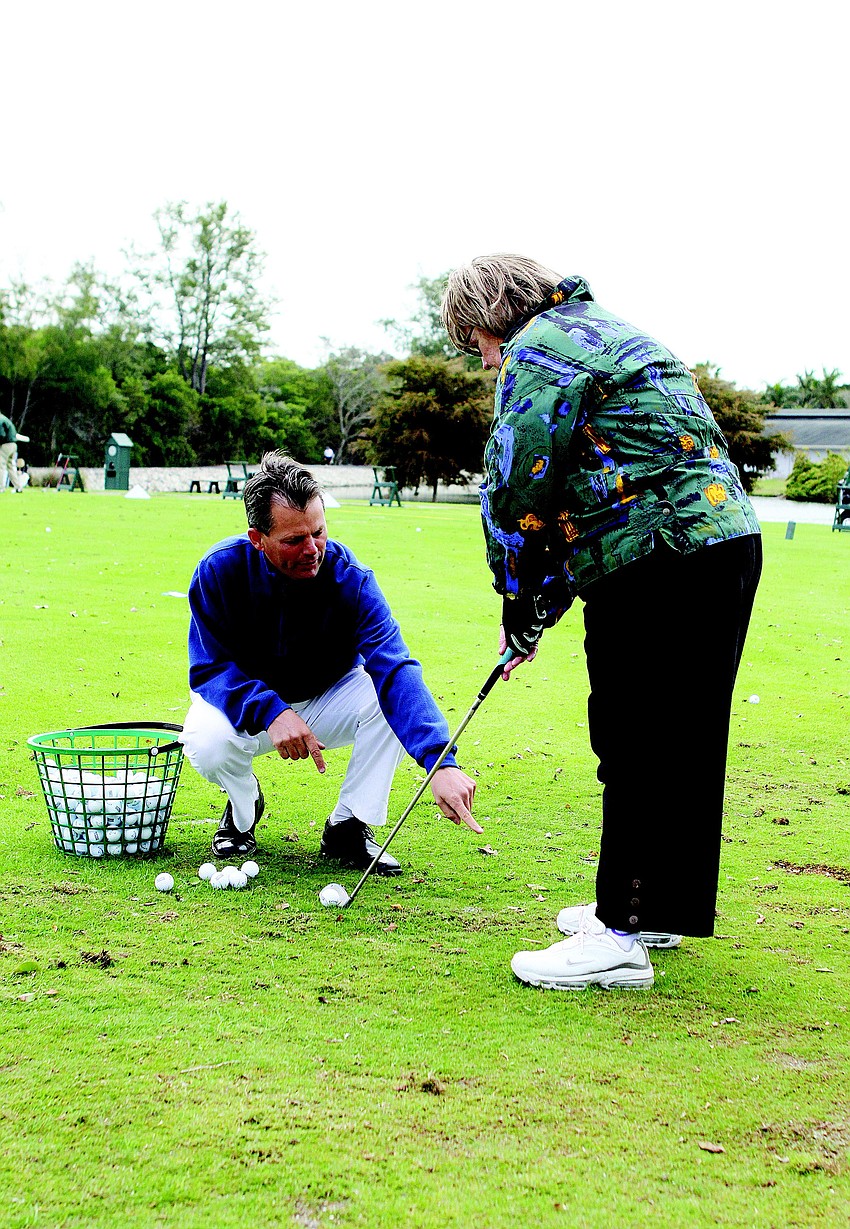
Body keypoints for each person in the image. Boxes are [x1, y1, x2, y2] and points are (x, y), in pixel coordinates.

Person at [442, 254, 762, 990]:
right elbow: (584, 486)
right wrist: (537, 614)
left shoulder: (537, 349)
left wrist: (518, 607)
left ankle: (618, 935)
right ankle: (650, 909)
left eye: (478, 345)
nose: (487, 362)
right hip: (722, 544)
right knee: (680, 738)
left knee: (634, 737)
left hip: (660, 555)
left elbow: (520, 489)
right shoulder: (604, 330)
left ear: (491, 315)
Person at [180, 451, 479, 872]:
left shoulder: (350, 578)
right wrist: (271, 710)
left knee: (385, 698)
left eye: (318, 532)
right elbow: (209, 668)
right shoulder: (219, 571)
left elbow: (395, 668)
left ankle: (348, 827)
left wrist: (439, 762)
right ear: (257, 538)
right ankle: (244, 808)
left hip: (327, 697)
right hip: (251, 709)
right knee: (205, 744)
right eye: (293, 540)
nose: (312, 550)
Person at [0, 415, 26, 493]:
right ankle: (18, 487)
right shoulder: (3, 418)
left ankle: (1, 487)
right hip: (13, 444)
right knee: (10, 466)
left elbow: (1, 435)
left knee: (0, 465)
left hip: (6, 444)